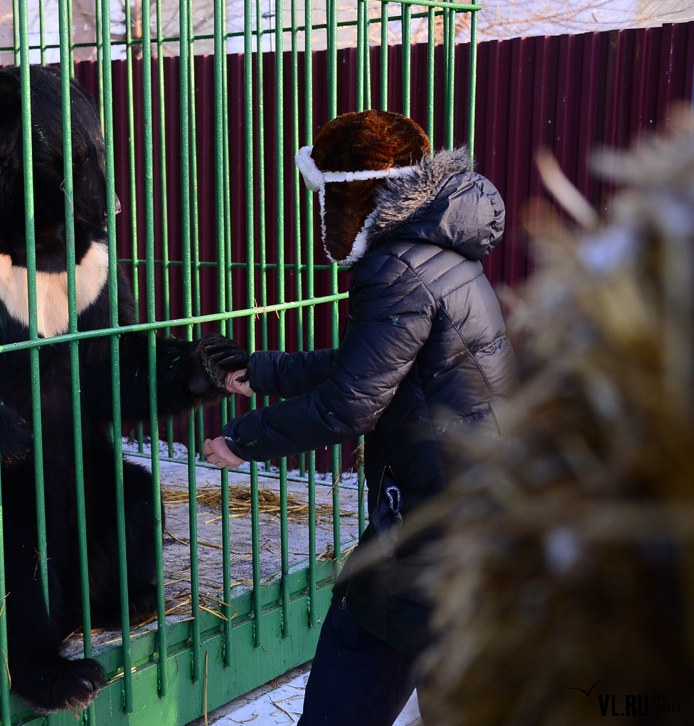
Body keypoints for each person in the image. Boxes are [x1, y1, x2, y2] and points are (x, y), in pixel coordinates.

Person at [202, 110, 514, 726]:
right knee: (396, 643)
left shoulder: (396, 266)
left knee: (382, 649)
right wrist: (262, 372)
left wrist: (242, 441)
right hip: (460, 497)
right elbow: (370, 364)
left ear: (353, 195)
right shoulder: (431, 249)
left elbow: (352, 403)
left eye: (325, 196)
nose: (320, 214)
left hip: (440, 511)